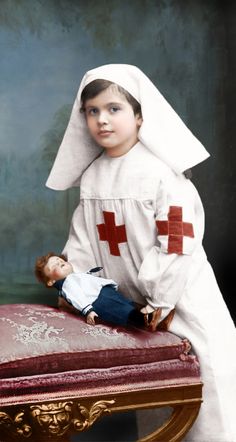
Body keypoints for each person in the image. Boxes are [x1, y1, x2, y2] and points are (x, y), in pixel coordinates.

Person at [45, 64, 236, 441]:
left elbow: (178, 241)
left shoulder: (162, 175)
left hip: (180, 299)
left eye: (114, 109)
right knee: (155, 400)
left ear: (139, 115)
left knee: (212, 379)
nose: (102, 120)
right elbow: (82, 242)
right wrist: (77, 285)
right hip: (131, 307)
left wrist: (161, 297)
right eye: (92, 111)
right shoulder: (94, 176)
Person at [35, 252, 171, 329]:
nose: (60, 262)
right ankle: (147, 322)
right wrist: (88, 310)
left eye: (60, 260)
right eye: (55, 266)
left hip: (105, 294)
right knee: (124, 313)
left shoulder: (75, 277)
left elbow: (88, 282)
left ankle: (157, 322)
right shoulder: (68, 285)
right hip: (100, 301)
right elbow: (78, 298)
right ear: (51, 281)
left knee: (129, 306)